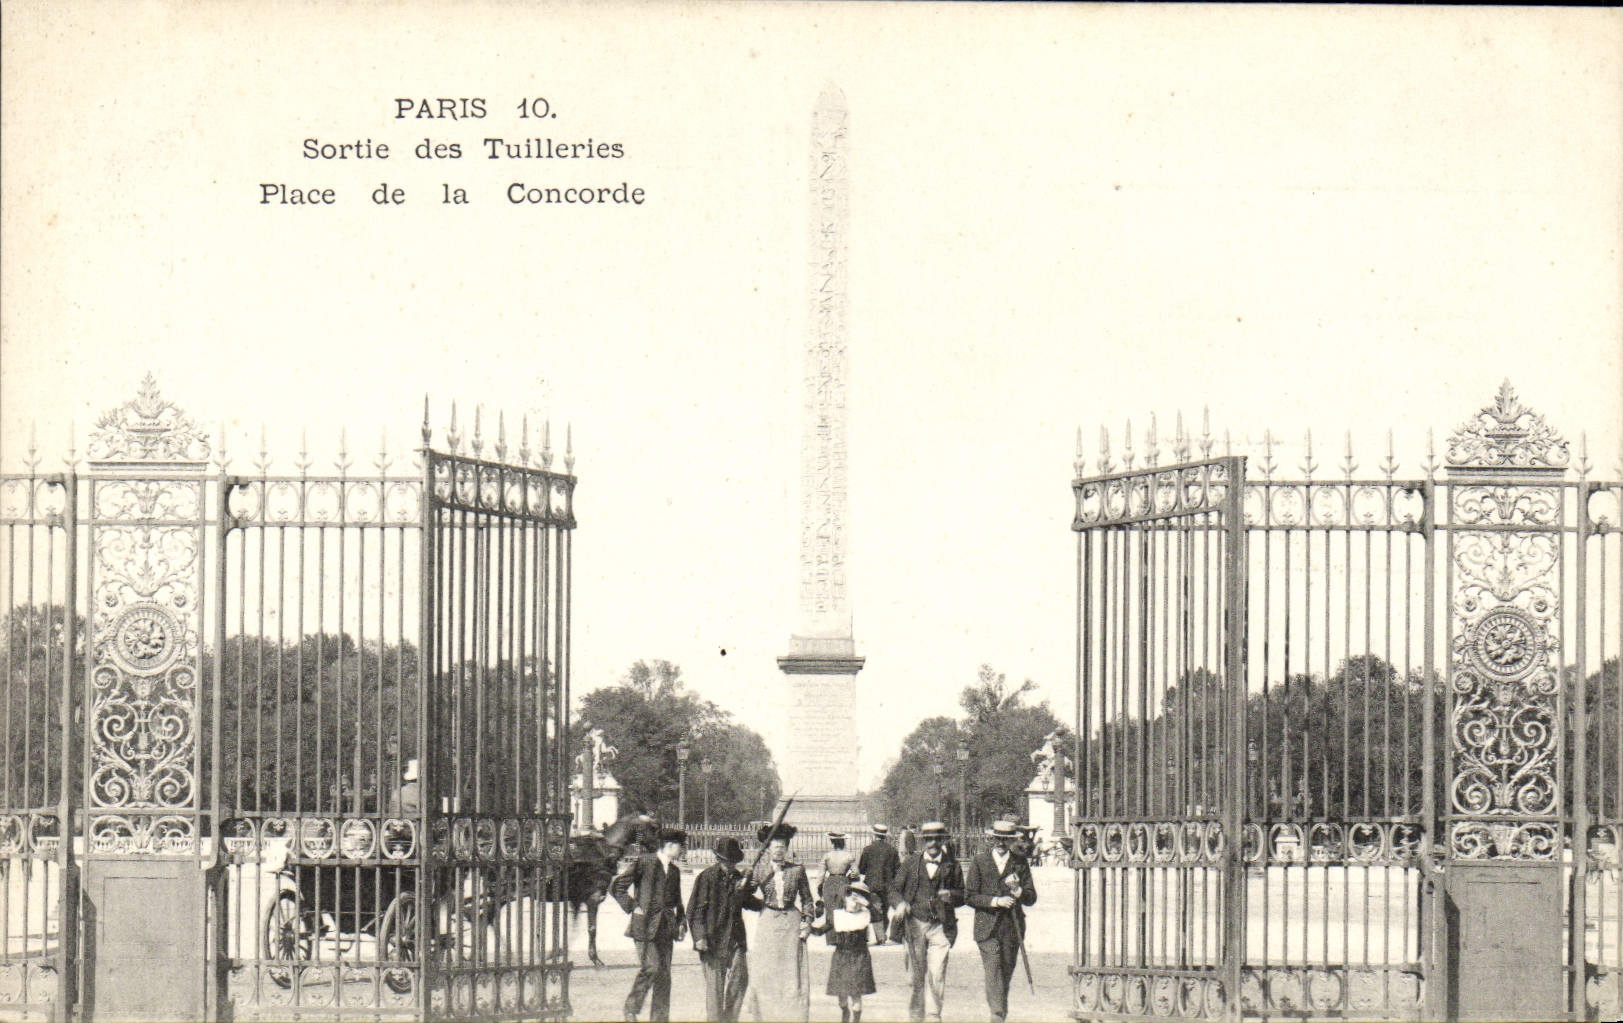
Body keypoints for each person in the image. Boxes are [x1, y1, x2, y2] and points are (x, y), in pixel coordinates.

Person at [611, 826, 688, 1023]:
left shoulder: (675, 871)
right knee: (652, 967)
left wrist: (681, 922)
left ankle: (660, 1019)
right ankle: (631, 1009)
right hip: (644, 927)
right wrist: (633, 907)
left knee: (664, 976)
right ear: (670, 846)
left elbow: (677, 901)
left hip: (666, 929)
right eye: (681, 847)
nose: (682, 851)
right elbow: (617, 886)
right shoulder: (645, 862)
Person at [964, 820, 1038, 1023]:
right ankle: (996, 1016)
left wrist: (1018, 891)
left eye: (1005, 840)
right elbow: (969, 896)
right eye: (997, 839)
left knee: (1005, 973)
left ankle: (1000, 1013)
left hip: (1012, 928)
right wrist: (995, 901)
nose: (1001, 843)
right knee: (994, 970)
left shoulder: (1020, 862)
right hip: (986, 928)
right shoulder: (979, 861)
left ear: (1012, 841)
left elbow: (1031, 897)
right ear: (991, 839)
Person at [891, 821, 963, 1023]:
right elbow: (894, 889)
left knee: (937, 973)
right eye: (928, 839)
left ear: (942, 841)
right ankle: (915, 1016)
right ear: (923, 841)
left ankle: (933, 1016)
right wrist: (899, 904)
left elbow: (963, 895)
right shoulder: (910, 863)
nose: (932, 843)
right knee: (915, 975)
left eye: (937, 839)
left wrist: (952, 895)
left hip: (941, 926)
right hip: (914, 924)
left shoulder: (953, 865)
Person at [747, 822, 816, 1022]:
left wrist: (807, 921)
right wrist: (746, 890)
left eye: (782, 847)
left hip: (791, 923)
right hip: (768, 921)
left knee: (791, 970)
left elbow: (807, 899)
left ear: (787, 848)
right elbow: (744, 897)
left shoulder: (797, 870)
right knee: (766, 969)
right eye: (775, 847)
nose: (779, 851)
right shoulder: (759, 871)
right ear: (768, 849)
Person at [688, 836, 761, 1022]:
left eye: (732, 861)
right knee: (715, 989)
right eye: (726, 861)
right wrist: (699, 937)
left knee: (740, 979)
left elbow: (747, 902)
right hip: (712, 939)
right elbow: (695, 910)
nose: (729, 865)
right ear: (718, 859)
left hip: (735, 938)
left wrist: (767, 903)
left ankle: (729, 1019)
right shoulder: (706, 878)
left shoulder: (739, 877)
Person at [824, 879, 877, 1023]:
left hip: (860, 956)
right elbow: (823, 928)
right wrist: (807, 928)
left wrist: (867, 904)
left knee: (856, 993)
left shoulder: (865, 914)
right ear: (845, 898)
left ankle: (855, 1020)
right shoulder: (839, 915)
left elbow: (878, 916)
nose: (855, 903)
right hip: (841, 956)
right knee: (841, 995)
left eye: (859, 900)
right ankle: (844, 1011)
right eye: (852, 898)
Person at [856, 824, 901, 945]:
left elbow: (862, 869)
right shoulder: (892, 850)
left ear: (874, 835)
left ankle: (879, 937)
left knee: (875, 910)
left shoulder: (867, 849)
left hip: (872, 884)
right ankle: (882, 934)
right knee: (885, 910)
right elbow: (898, 869)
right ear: (885, 836)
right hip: (888, 885)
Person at [819, 832, 857, 934]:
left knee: (830, 909)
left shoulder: (827, 856)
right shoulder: (849, 856)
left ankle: (831, 937)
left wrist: (819, 886)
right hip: (843, 881)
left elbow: (821, 875)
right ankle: (842, 934)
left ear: (832, 843)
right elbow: (856, 873)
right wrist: (849, 878)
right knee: (842, 908)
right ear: (843, 843)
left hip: (830, 882)